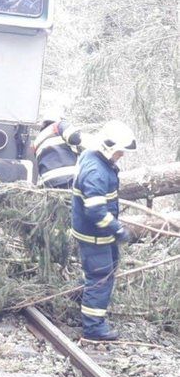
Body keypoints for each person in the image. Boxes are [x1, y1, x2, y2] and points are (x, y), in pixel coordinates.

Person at [70, 120, 137, 341]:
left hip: (97, 234)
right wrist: (118, 230)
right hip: (95, 236)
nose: (122, 155)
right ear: (108, 147)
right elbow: (96, 211)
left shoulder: (93, 157)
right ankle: (93, 328)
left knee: (102, 275)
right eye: (120, 151)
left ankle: (87, 305)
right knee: (100, 278)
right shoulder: (96, 171)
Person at [32, 111, 84, 189]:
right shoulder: (58, 126)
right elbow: (74, 138)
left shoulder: (37, 140)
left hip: (48, 182)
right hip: (68, 177)